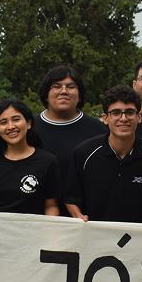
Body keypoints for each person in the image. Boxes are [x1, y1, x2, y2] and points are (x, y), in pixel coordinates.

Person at [65, 86, 142, 226]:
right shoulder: (84, 153)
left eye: (130, 112)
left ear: (139, 117)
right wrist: (79, 218)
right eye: (116, 113)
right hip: (95, 238)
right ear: (105, 118)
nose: (123, 118)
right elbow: (71, 198)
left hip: (139, 239)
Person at [0, 98, 61, 215]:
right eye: (3, 122)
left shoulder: (47, 161)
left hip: (29, 231)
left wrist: (48, 231)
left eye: (16, 119)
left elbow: (51, 205)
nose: (10, 127)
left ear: (29, 123)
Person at [35, 65, 107, 194]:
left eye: (71, 86)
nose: (64, 91)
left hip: (83, 210)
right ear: (46, 94)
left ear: (79, 95)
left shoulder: (99, 130)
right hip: (37, 210)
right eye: (56, 86)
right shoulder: (29, 128)